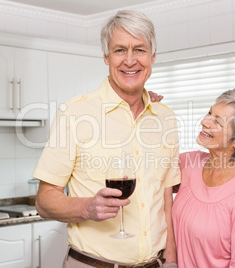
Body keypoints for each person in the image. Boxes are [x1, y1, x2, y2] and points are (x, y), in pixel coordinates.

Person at [33, 10, 180, 268]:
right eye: (120, 50)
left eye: (140, 50)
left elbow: (166, 197)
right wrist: (87, 208)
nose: (130, 61)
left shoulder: (165, 118)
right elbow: (44, 201)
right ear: (106, 57)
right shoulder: (75, 114)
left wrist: (172, 258)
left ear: (153, 56)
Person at [150, 88, 235, 267]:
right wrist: (143, 109)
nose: (204, 121)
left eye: (217, 121)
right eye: (210, 112)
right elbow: (145, 174)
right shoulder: (191, 163)